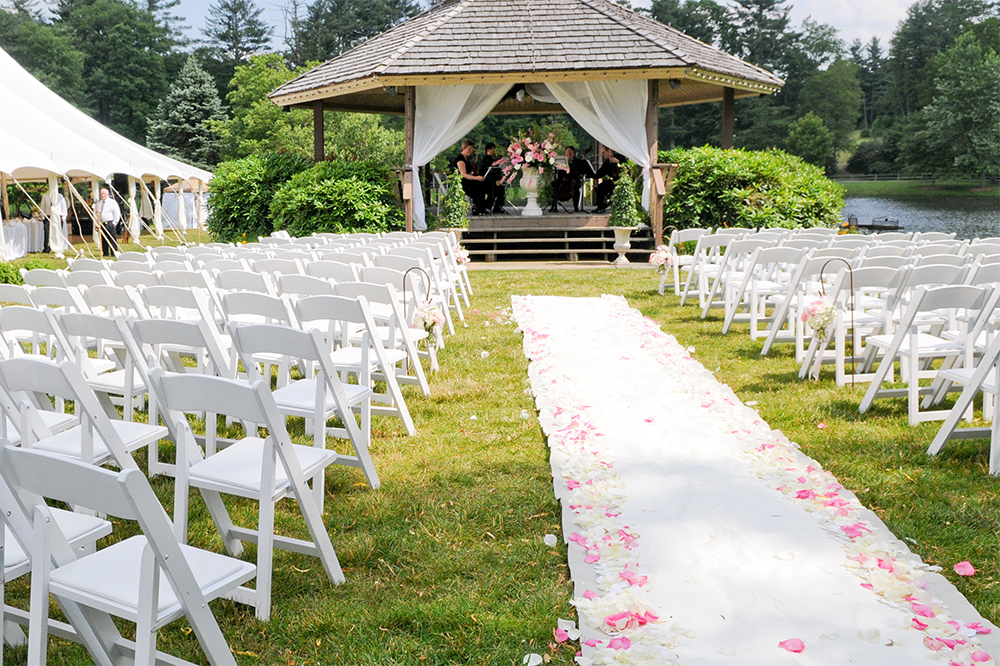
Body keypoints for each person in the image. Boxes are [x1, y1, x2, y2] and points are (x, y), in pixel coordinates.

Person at [451, 139, 487, 216]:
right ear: (463, 148)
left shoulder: (466, 158)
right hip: (461, 183)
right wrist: (476, 178)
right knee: (478, 187)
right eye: (469, 149)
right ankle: (478, 208)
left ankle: (480, 208)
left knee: (481, 185)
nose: (470, 151)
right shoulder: (460, 159)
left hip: (466, 181)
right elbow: (464, 174)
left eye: (471, 149)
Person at [550, 146, 591, 212]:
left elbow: (580, 172)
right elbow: (560, 173)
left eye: (570, 152)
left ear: (574, 154)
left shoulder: (577, 162)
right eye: (567, 152)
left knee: (576, 187)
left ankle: (576, 207)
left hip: (574, 180)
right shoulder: (562, 162)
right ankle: (554, 205)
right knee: (554, 184)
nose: (568, 154)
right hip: (563, 179)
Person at [593, 146, 625, 213]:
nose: (603, 154)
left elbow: (626, 167)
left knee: (612, 191)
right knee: (600, 187)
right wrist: (590, 173)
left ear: (609, 151)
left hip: (621, 181)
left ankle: (607, 205)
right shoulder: (607, 162)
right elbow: (600, 174)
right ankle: (601, 206)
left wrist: (618, 162)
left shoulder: (620, 157)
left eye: (604, 152)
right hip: (612, 181)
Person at [479, 142, 507, 214]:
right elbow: (492, 166)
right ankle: (488, 206)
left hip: (491, 181)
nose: (494, 152)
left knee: (500, 189)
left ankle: (496, 207)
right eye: (493, 150)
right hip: (486, 182)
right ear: (488, 150)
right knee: (495, 191)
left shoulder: (490, 159)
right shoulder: (486, 159)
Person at [39, 187, 68, 254]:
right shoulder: (45, 196)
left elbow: (63, 207)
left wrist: (64, 216)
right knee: (47, 232)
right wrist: (43, 217)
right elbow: (42, 207)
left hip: (58, 216)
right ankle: (46, 247)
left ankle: (58, 246)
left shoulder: (60, 196)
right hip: (48, 216)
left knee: (58, 232)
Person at [96, 188, 121, 257]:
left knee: (112, 239)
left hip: (110, 223)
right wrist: (97, 223)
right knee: (103, 240)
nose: (102, 195)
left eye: (103, 193)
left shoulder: (112, 202)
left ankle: (114, 253)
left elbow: (117, 213)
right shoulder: (100, 203)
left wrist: (114, 223)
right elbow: (97, 214)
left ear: (108, 194)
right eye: (101, 194)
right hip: (102, 223)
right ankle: (105, 253)